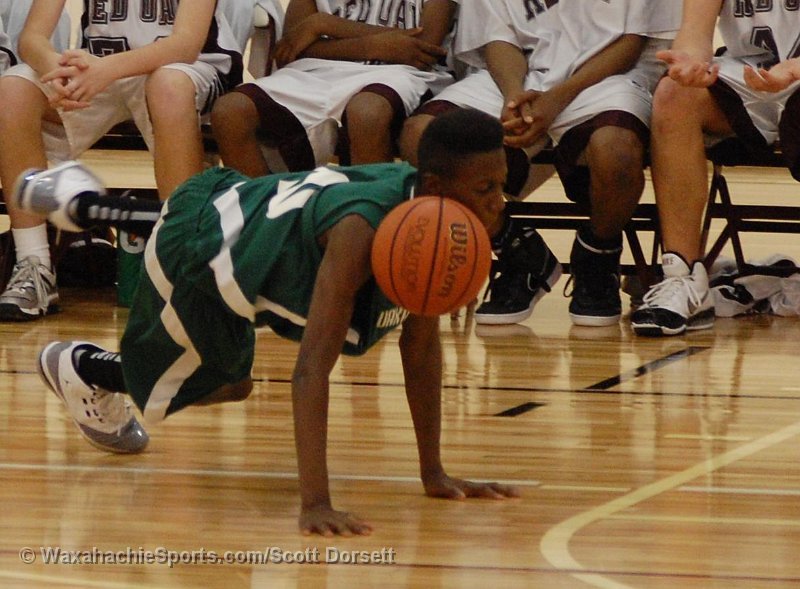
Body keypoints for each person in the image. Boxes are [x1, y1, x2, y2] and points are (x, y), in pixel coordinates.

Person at [15, 108, 518, 537]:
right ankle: (84, 366)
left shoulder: (425, 223)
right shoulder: (360, 231)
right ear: (434, 186)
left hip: (250, 219)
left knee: (232, 378)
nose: (499, 201)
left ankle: (84, 203)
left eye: (501, 185)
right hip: (200, 255)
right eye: (486, 188)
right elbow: (311, 371)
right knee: (226, 384)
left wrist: (434, 472)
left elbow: (422, 347)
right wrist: (315, 503)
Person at [400, 0, 681, 328]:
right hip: (517, 76)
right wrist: (513, 96)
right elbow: (497, 37)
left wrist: (557, 98)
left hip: (609, 76)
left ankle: (597, 255)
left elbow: (631, 44)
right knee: (422, 136)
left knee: (616, 151)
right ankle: (517, 250)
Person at [0, 0, 243, 321]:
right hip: (102, 70)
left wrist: (107, 69)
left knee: (168, 86)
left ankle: (180, 264)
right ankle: (34, 264)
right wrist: (53, 67)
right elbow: (32, 37)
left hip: (187, 68)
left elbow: (185, 44)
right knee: (13, 88)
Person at [631, 0, 800, 336]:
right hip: (749, 74)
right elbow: (695, 32)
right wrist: (690, 62)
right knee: (674, 93)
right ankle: (683, 278)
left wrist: (794, 69)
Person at [210, 0, 457, 177]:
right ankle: (269, 221)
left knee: (367, 112)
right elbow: (290, 47)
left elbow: (424, 48)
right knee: (230, 111)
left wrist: (324, 25)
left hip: (400, 73)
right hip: (315, 70)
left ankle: (369, 224)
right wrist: (376, 44)